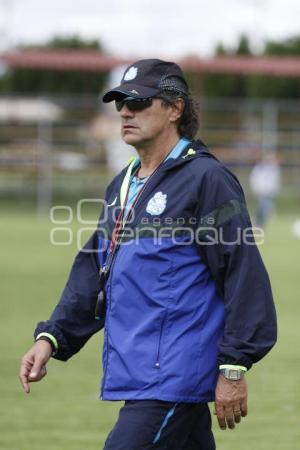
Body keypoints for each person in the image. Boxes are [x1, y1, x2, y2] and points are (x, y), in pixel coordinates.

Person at [19, 59, 277, 450]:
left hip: (172, 375)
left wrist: (234, 367)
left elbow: (242, 273)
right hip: (141, 371)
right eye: (121, 102)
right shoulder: (122, 184)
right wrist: (52, 337)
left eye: (138, 103)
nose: (125, 111)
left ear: (175, 109)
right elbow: (94, 270)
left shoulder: (207, 179)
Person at [249, 152, 281, 227]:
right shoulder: (260, 168)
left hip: (270, 192)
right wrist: (257, 189)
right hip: (262, 192)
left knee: (262, 207)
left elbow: (275, 181)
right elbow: (255, 179)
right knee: (264, 207)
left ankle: (257, 222)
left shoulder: (274, 169)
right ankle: (259, 223)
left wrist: (275, 190)